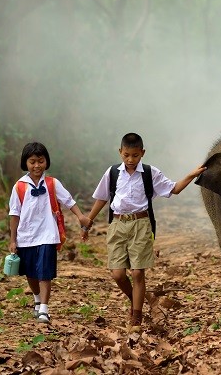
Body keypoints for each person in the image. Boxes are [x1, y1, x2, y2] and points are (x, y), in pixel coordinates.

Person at [81, 132, 205, 331]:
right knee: (118, 274)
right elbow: (102, 198)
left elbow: (174, 189)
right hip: (118, 224)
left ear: (143, 153)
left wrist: (191, 174)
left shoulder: (149, 173)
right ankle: (135, 299)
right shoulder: (113, 173)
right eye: (127, 155)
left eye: (135, 155)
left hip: (141, 224)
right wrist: (88, 222)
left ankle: (136, 318)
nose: (131, 160)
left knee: (138, 272)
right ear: (120, 152)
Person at [8, 142, 91, 325]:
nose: (37, 165)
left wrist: (81, 217)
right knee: (30, 272)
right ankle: (37, 298)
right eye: (32, 162)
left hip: (48, 234)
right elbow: (14, 214)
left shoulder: (53, 183)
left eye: (41, 161)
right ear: (25, 163)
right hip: (26, 236)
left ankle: (44, 309)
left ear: (46, 162)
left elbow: (68, 200)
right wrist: (13, 239)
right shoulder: (19, 187)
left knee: (45, 271)